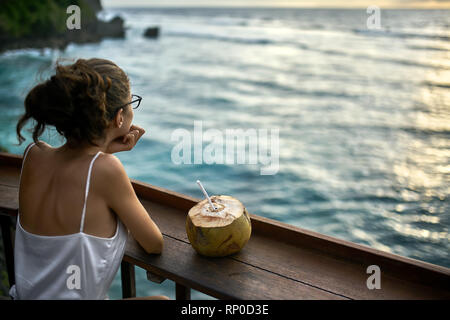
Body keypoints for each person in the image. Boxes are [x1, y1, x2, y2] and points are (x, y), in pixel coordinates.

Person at [10, 58, 168, 300]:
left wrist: (103, 148)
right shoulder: (106, 170)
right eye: (132, 103)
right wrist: (104, 154)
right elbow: (153, 243)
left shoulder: (34, 154)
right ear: (119, 118)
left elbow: (78, 170)